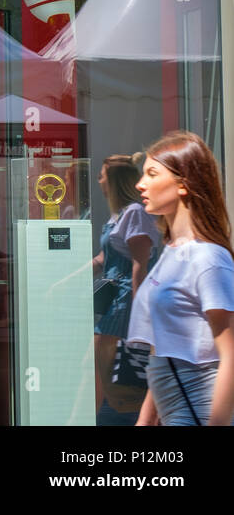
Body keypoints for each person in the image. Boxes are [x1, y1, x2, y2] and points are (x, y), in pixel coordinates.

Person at [127, 131, 234, 426]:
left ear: (183, 184)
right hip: (176, 410)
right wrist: (145, 420)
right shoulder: (172, 252)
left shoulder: (208, 258)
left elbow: (231, 356)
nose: (140, 184)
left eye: (151, 173)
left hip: (200, 413)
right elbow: (165, 351)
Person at [91, 153, 159, 420]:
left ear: (114, 181)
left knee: (105, 371)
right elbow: (103, 258)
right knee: (100, 369)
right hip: (114, 301)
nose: (99, 181)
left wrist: (138, 315)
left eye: (102, 176)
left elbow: (140, 265)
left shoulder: (134, 213)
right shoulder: (119, 216)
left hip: (123, 301)